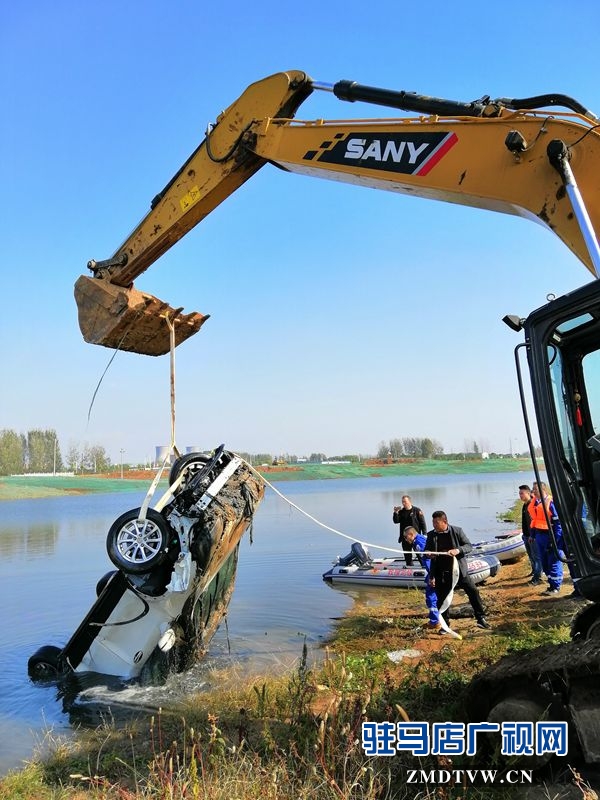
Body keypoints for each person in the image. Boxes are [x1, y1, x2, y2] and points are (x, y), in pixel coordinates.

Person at [424, 510, 491, 632]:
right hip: (442, 573)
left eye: (436, 523)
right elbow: (427, 552)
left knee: (473, 592)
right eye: (433, 523)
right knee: (442, 600)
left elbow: (468, 546)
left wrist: (457, 550)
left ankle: (481, 618)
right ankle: (445, 625)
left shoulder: (457, 531)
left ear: (444, 522)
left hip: (459, 571)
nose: (434, 525)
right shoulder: (431, 535)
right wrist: (429, 555)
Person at [528, 481, 564, 595]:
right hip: (539, 536)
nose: (533, 492)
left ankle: (556, 587)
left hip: (551, 536)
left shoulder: (550, 502)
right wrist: (532, 535)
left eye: (535, 490)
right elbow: (535, 521)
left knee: (553, 561)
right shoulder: (534, 504)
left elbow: (558, 524)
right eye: (533, 490)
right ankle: (551, 585)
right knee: (544, 562)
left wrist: (556, 541)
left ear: (543, 490)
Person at [403, 526, 440, 629]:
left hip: (434, 571)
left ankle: (435, 622)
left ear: (411, 535)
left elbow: (429, 560)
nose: (406, 540)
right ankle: (436, 620)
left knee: (431, 597)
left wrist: (432, 576)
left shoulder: (419, 543)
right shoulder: (421, 539)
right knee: (433, 596)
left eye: (406, 537)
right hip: (434, 571)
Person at [393, 495, 427, 567]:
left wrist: (424, 534)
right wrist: (395, 512)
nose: (403, 503)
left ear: (409, 501)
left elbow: (423, 523)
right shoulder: (401, 511)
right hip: (405, 538)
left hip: (415, 537)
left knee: (420, 554)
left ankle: (425, 566)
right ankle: (410, 567)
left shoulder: (417, 510)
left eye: (405, 501)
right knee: (407, 555)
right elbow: (396, 521)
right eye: (402, 502)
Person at [519, 484, 542, 585]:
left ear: (528, 493)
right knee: (531, 556)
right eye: (519, 494)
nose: (520, 496)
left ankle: (537, 577)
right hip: (526, 535)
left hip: (533, 536)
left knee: (536, 557)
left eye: (522, 493)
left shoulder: (533, 505)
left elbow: (535, 521)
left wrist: (534, 535)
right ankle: (534, 571)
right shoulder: (525, 505)